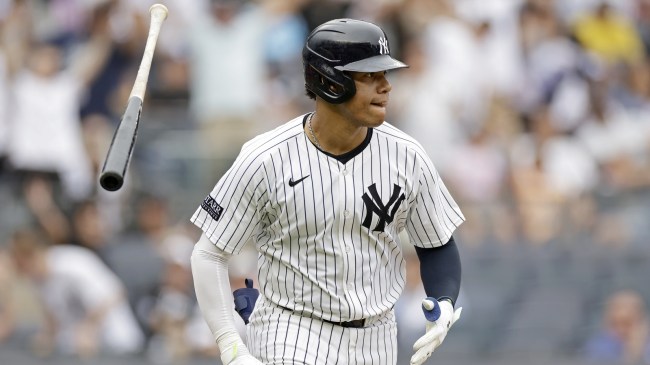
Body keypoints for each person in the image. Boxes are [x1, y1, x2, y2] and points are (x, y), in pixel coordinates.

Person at [190, 18, 464, 365]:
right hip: (291, 330)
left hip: (376, 338)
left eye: (385, 75)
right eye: (370, 76)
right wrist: (231, 346)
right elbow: (209, 254)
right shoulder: (266, 157)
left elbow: (437, 244)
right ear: (329, 81)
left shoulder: (407, 155)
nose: (386, 87)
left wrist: (443, 300)